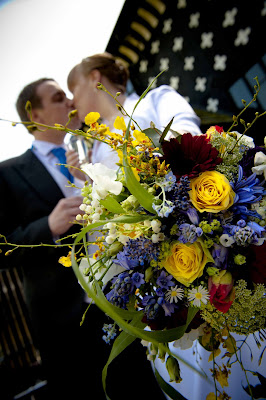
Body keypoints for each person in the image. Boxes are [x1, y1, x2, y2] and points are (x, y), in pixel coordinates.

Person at [0, 78, 108, 399]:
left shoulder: (93, 153)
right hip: (63, 318)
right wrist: (48, 224)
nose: (70, 101)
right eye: (59, 97)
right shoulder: (7, 173)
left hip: (115, 296)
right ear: (35, 114)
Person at [66, 52, 202, 175]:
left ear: (94, 77)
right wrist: (89, 177)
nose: (72, 102)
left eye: (73, 91)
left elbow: (185, 127)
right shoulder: (96, 147)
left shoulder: (156, 99)